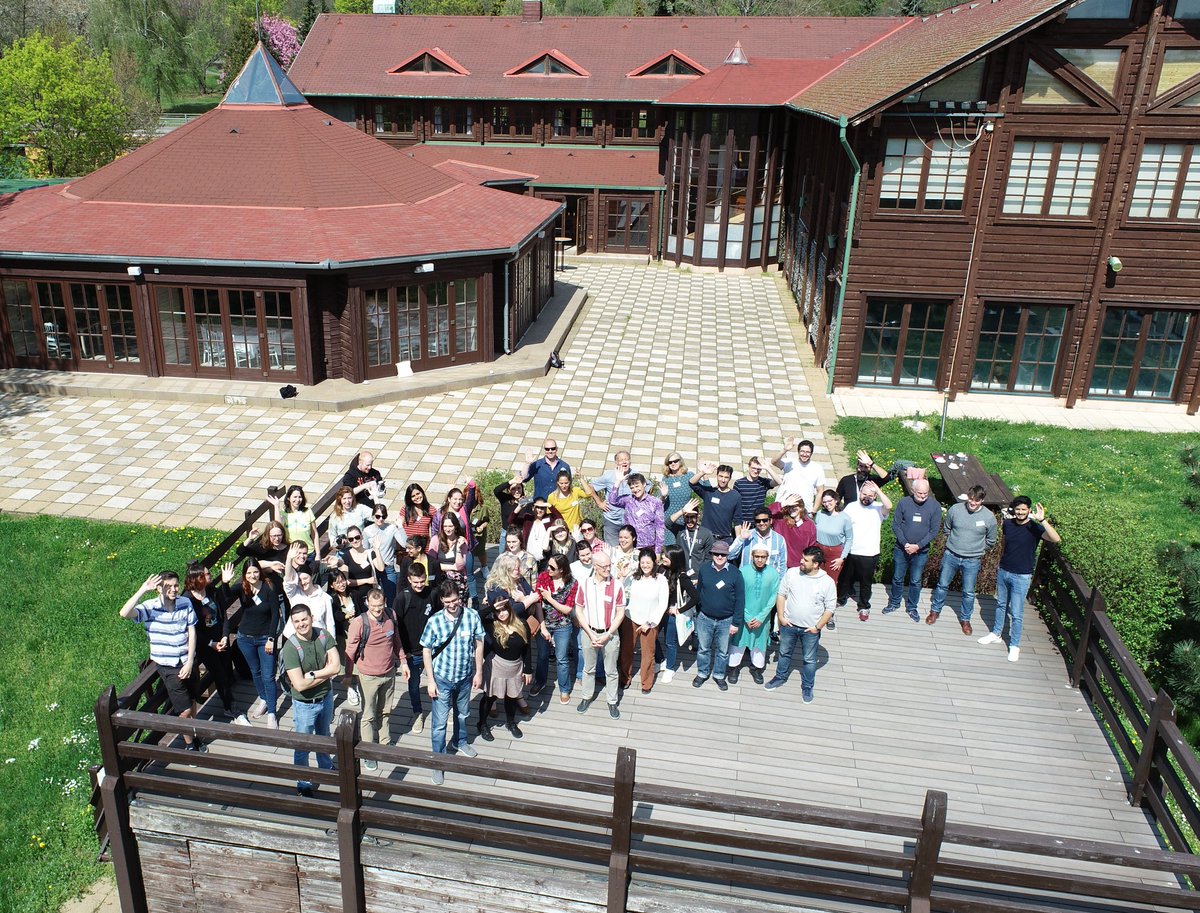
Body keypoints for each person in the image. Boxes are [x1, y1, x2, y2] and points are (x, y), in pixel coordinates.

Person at [120, 572, 202, 751]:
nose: (173, 589)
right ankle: (191, 744)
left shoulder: (184, 603)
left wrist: (189, 662)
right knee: (184, 710)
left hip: (187, 661)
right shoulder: (150, 607)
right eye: (168, 586)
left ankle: (195, 731)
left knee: (193, 699)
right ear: (159, 588)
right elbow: (124, 613)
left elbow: (192, 632)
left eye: (175, 585)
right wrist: (143, 589)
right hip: (168, 666)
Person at [979, 497, 1060, 662]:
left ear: (1029, 510)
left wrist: (1042, 520)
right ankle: (996, 633)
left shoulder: (1034, 528)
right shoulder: (1008, 524)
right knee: (1001, 604)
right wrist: (999, 564)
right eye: (1018, 509)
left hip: (1022, 575)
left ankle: (1014, 645)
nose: (1021, 512)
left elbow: (1056, 539)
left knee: (1016, 612)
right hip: (1004, 571)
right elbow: (1004, 544)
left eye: (1024, 509)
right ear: (1013, 510)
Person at [421, 580, 485, 784]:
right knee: (439, 724)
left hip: (465, 676)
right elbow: (426, 649)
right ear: (441, 600)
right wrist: (430, 680)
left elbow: (479, 642)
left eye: (455, 599)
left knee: (463, 714)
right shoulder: (434, 621)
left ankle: (460, 741)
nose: (453, 604)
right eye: (448, 601)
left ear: (461, 597)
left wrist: (479, 672)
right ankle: (437, 762)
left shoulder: (472, 616)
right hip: (442, 678)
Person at [345, 587, 409, 768]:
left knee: (385, 711)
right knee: (368, 715)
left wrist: (403, 662)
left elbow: (396, 640)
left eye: (380, 606)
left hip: (389, 673)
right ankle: (368, 751)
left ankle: (385, 743)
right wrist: (349, 676)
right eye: (373, 606)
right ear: (367, 603)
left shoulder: (391, 616)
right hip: (368, 676)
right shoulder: (359, 623)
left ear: (385, 603)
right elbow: (350, 651)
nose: (377, 610)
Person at [280, 603, 340, 797]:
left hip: (326, 697)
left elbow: (337, 667)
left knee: (324, 736)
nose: (301, 624)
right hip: (305, 704)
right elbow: (299, 685)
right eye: (296, 621)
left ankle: (325, 766)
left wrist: (312, 674)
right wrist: (326, 673)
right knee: (303, 745)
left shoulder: (323, 635)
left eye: (304, 619)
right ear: (292, 623)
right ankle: (303, 781)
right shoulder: (290, 648)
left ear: (312, 618)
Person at [766, 547, 837, 703]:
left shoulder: (827, 582)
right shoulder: (792, 573)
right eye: (802, 558)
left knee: (810, 659)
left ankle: (807, 686)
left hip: (810, 630)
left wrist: (817, 627)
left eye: (806, 560)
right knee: (784, 653)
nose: (801, 561)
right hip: (788, 625)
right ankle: (780, 677)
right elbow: (781, 594)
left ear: (816, 564)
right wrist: (781, 617)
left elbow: (830, 608)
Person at [927, 485, 998, 635]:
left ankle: (965, 619)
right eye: (971, 499)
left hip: (972, 560)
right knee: (942, 585)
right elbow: (947, 528)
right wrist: (953, 543)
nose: (973, 503)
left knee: (968, 592)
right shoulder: (955, 509)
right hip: (951, 555)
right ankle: (935, 611)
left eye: (977, 501)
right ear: (967, 496)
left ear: (982, 501)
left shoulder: (989, 517)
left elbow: (991, 540)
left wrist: (977, 550)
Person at [224, 559, 284, 729]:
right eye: (249, 573)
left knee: (268, 675)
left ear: (260, 571)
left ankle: (272, 712)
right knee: (255, 672)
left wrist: (272, 638)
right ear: (244, 574)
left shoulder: (269, 588)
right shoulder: (242, 587)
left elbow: (275, 615)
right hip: (245, 638)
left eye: (255, 572)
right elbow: (226, 595)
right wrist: (225, 582)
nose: (252, 575)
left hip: (265, 638)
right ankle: (264, 699)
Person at [572, 551, 626, 718]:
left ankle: (612, 701)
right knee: (589, 668)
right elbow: (579, 610)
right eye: (604, 566)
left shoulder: (617, 585)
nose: (608, 569)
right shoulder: (585, 584)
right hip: (589, 632)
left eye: (609, 565)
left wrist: (608, 634)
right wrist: (589, 632)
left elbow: (620, 613)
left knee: (611, 670)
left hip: (610, 633)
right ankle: (586, 697)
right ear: (595, 567)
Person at [884, 479, 943, 623]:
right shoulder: (904, 502)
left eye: (925, 493)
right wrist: (905, 544)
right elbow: (896, 525)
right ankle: (894, 603)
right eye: (920, 493)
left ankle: (912, 607)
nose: (923, 496)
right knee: (898, 578)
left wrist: (918, 545)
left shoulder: (934, 506)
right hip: (901, 548)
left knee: (915, 580)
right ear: (913, 490)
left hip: (921, 551)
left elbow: (934, 530)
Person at [476, 597, 533, 741]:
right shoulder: (492, 625)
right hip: (496, 666)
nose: (501, 614)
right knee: (490, 697)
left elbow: (527, 648)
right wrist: (492, 607)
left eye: (504, 610)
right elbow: (477, 616)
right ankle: (482, 724)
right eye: (498, 611)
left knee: (512, 696)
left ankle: (511, 722)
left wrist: (528, 669)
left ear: (510, 609)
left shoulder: (522, 625)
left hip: (515, 667)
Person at [692, 540, 744, 690]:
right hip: (705, 617)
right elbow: (699, 591)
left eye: (723, 554)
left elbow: (740, 600)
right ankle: (702, 673)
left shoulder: (735, 573)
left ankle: (719, 675)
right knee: (703, 648)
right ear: (712, 554)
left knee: (722, 651)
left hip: (726, 620)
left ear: (727, 555)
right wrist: (699, 611)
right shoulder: (704, 569)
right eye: (716, 554)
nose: (719, 556)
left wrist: (735, 622)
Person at [184, 561, 234, 719]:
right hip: (204, 644)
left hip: (220, 638)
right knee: (219, 674)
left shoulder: (212, 591)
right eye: (206, 574)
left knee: (226, 669)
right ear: (196, 578)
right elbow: (193, 629)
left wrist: (225, 635)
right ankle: (230, 706)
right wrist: (210, 644)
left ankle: (228, 697)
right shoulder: (187, 600)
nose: (210, 575)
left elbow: (223, 616)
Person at [394, 565, 440, 734]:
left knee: (438, 682)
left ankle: (440, 711)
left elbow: (439, 618)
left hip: (432, 650)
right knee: (414, 686)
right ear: (409, 580)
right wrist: (402, 653)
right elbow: (396, 627)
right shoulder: (402, 598)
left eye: (422, 581)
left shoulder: (433, 594)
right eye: (416, 582)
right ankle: (417, 713)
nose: (420, 585)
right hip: (411, 652)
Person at [727, 543, 780, 685]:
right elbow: (738, 595)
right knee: (738, 642)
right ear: (752, 556)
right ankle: (733, 668)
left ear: (767, 557)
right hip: (744, 616)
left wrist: (761, 617)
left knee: (759, 645)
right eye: (757, 556)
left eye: (763, 557)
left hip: (762, 619)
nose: (760, 560)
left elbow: (773, 597)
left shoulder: (773, 573)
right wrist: (747, 616)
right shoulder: (742, 572)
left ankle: (756, 669)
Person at [839, 481, 891, 622]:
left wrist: (878, 490)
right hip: (850, 550)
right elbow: (842, 524)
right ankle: (841, 599)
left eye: (870, 495)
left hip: (869, 553)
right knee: (845, 579)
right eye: (864, 494)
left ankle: (864, 606)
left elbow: (889, 506)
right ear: (859, 493)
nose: (866, 497)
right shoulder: (851, 506)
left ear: (875, 496)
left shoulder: (878, 508)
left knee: (865, 583)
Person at [535, 554, 579, 704]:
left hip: (563, 625)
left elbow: (567, 609)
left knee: (562, 659)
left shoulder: (572, 583)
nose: (548, 569)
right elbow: (538, 604)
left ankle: (564, 689)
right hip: (544, 623)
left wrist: (550, 598)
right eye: (548, 565)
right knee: (542, 656)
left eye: (552, 567)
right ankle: (540, 682)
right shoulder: (543, 577)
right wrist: (542, 627)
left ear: (562, 569)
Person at [625, 548, 669, 694]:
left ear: (654, 562)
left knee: (648, 654)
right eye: (642, 562)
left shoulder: (661, 579)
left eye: (648, 562)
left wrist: (649, 623)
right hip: (630, 618)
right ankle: (624, 678)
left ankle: (646, 683)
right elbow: (622, 593)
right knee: (626, 651)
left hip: (649, 622)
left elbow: (663, 604)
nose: (645, 565)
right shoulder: (632, 577)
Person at [658, 546, 698, 683]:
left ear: (675, 559)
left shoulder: (682, 577)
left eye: (666, 556)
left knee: (670, 642)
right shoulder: (661, 571)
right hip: (658, 612)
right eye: (663, 555)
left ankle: (670, 668)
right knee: (652, 637)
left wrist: (679, 610)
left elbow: (696, 597)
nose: (663, 558)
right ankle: (661, 660)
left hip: (671, 615)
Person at [281, 544, 337, 639]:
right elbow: (288, 580)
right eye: (299, 580)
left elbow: (330, 623)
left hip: (317, 639)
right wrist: (289, 559)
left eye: (305, 578)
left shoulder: (324, 597)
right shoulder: (294, 593)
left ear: (311, 577)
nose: (302, 582)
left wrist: (331, 646)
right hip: (293, 638)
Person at [606, 471, 665, 552]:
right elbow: (612, 500)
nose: (635, 490)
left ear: (644, 485)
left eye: (637, 486)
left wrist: (658, 550)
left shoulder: (655, 502)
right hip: (631, 545)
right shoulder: (628, 500)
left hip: (648, 546)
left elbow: (660, 527)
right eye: (632, 488)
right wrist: (618, 482)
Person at [588, 450, 634, 546]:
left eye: (626, 459)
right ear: (616, 463)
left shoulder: (636, 475)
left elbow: (648, 487)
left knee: (629, 550)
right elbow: (591, 486)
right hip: (611, 520)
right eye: (621, 460)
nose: (624, 462)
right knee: (612, 550)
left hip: (630, 521)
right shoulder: (608, 476)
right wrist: (599, 502)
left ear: (630, 461)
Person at [689, 462, 743, 545]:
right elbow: (692, 483)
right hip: (706, 537)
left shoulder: (736, 496)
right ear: (716, 476)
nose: (723, 480)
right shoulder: (709, 492)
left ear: (730, 478)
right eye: (721, 476)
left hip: (725, 539)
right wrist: (703, 472)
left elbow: (737, 521)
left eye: (726, 477)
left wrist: (739, 542)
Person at [773, 437, 828, 514]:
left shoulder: (817, 468)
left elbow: (820, 492)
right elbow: (774, 462)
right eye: (802, 451)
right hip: (784, 506)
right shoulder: (789, 462)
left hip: (805, 510)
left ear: (811, 453)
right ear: (798, 451)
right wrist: (785, 450)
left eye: (808, 452)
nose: (805, 454)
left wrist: (813, 511)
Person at [364, 504, 405, 607]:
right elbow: (365, 550)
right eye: (378, 516)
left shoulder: (391, 528)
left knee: (391, 599)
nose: (380, 519)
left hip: (388, 568)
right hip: (373, 568)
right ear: (373, 516)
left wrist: (400, 526)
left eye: (383, 516)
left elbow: (404, 543)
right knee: (373, 599)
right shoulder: (367, 531)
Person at [728, 510, 788, 577]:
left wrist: (778, 583)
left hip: (769, 581)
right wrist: (741, 539)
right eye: (758, 521)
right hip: (747, 579)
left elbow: (782, 565)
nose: (761, 523)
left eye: (765, 520)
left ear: (770, 521)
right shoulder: (746, 535)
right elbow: (729, 555)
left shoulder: (779, 540)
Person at [339, 525, 384, 613]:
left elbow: (381, 568)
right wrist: (367, 580)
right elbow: (346, 582)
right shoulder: (346, 557)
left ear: (362, 536)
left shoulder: (370, 553)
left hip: (370, 597)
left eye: (357, 537)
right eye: (351, 539)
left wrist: (377, 550)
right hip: (353, 598)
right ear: (348, 541)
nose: (355, 540)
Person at [769, 494, 817, 570]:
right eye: (789, 507)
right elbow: (765, 513)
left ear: (801, 507)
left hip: (798, 565)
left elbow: (812, 547)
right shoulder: (780, 520)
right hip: (778, 563)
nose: (791, 509)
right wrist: (782, 504)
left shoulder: (809, 525)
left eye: (794, 507)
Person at [515, 438, 572, 502]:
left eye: (553, 448)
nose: (550, 451)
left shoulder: (564, 466)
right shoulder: (537, 464)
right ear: (544, 450)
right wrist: (527, 464)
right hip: (541, 505)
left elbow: (569, 486)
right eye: (547, 449)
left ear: (556, 449)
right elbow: (524, 478)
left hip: (559, 504)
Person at [431, 513, 471, 605]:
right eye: (445, 526)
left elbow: (460, 566)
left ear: (456, 526)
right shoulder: (436, 540)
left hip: (458, 582)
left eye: (450, 526)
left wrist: (458, 550)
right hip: (441, 580)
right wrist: (452, 567)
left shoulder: (461, 540)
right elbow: (432, 564)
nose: (447, 529)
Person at [235, 521, 289, 587]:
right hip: (266, 583)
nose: (277, 539)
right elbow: (240, 552)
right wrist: (250, 539)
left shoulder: (288, 548)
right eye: (274, 536)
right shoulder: (261, 547)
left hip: (285, 582)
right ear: (268, 535)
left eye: (279, 535)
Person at [273, 484, 319, 557]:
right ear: (288, 498)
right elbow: (277, 526)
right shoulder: (284, 513)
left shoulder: (308, 511)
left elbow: (314, 534)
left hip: (308, 553)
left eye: (300, 497)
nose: (297, 500)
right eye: (295, 497)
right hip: (292, 553)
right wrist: (276, 506)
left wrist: (318, 554)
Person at [659, 452, 694, 546]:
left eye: (675, 461)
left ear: (680, 461)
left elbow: (703, 490)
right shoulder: (665, 479)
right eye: (670, 462)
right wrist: (663, 496)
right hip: (669, 521)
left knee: (685, 550)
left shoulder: (689, 475)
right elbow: (659, 503)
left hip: (686, 521)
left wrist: (704, 474)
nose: (673, 464)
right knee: (670, 552)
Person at [731, 456, 779, 524]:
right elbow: (734, 503)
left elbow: (778, 482)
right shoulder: (739, 483)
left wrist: (767, 468)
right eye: (753, 468)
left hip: (759, 523)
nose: (756, 471)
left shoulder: (764, 482)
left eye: (759, 469)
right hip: (743, 523)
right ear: (748, 467)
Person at [547, 469, 590, 538]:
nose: (564, 486)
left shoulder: (575, 491)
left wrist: (581, 478)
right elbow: (549, 515)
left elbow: (588, 494)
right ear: (557, 483)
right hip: (562, 531)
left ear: (569, 482)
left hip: (576, 530)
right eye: (561, 483)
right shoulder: (552, 497)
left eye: (566, 483)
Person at [676, 502, 714, 577]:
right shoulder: (680, 530)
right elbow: (667, 523)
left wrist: (702, 576)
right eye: (687, 517)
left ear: (698, 517)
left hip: (698, 575)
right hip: (681, 574)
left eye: (692, 517)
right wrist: (682, 511)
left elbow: (709, 558)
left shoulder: (706, 534)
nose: (689, 520)